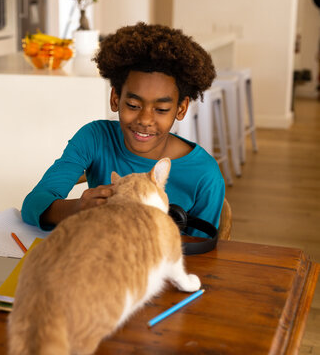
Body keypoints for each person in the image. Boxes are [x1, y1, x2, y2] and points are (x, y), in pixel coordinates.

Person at [21, 22, 225, 238]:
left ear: (181, 108)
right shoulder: (94, 138)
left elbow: (203, 257)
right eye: (133, 106)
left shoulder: (205, 176)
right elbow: (34, 204)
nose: (145, 120)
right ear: (115, 98)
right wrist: (78, 208)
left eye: (161, 109)